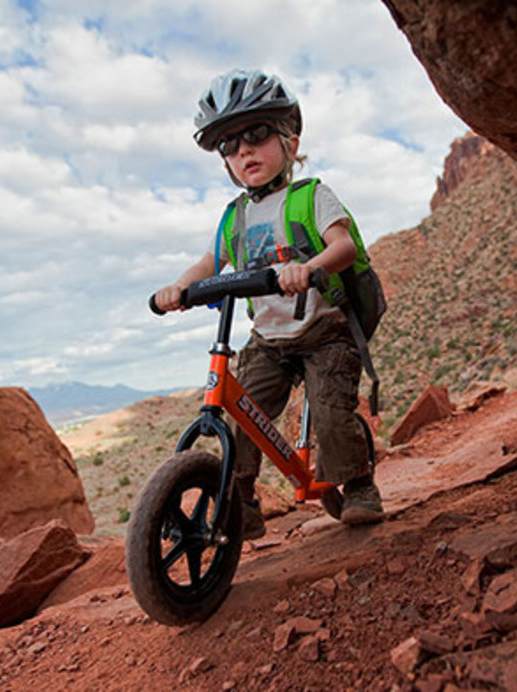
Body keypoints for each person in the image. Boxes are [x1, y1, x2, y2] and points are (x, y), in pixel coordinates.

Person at [154, 69, 383, 538]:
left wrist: (310, 267)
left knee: (331, 411)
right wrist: (178, 287)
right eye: (230, 146)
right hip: (269, 339)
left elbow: (343, 247)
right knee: (242, 413)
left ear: (290, 143)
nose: (244, 151)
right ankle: (240, 499)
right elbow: (209, 262)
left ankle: (359, 485)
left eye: (256, 136)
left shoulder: (310, 196)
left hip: (324, 331)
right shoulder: (235, 216)